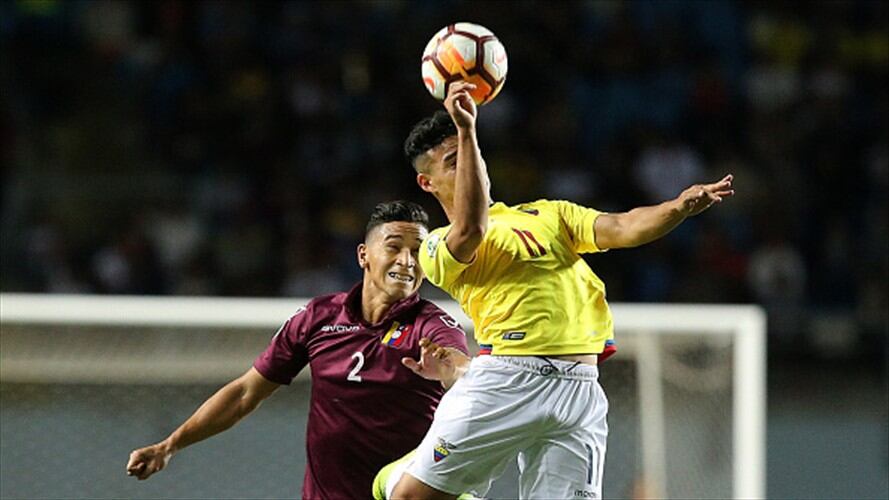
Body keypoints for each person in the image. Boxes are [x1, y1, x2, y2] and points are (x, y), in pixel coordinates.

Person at [390, 82, 735, 500]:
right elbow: (472, 227)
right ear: (427, 183)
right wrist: (467, 130)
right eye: (452, 162)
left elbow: (624, 227)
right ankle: (392, 477)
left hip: (581, 388)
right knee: (410, 497)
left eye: (470, 156)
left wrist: (676, 207)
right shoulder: (435, 245)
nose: (466, 163)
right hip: (508, 380)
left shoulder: (548, 214)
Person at [126, 200, 470, 500]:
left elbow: (464, 372)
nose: (408, 261)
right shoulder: (318, 318)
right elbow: (246, 393)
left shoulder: (433, 328)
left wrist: (454, 372)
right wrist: (169, 445)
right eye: (395, 247)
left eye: (418, 251)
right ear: (363, 255)